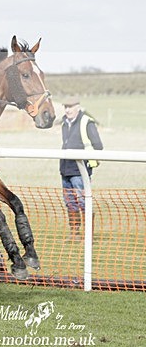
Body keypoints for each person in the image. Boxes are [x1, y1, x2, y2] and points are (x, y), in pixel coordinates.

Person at [59, 96, 103, 240]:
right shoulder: (64, 123)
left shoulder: (86, 122)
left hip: (80, 170)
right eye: (65, 107)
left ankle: (88, 235)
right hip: (65, 169)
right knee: (70, 202)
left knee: (83, 201)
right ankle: (75, 234)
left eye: (70, 107)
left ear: (78, 107)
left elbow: (98, 145)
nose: (67, 110)